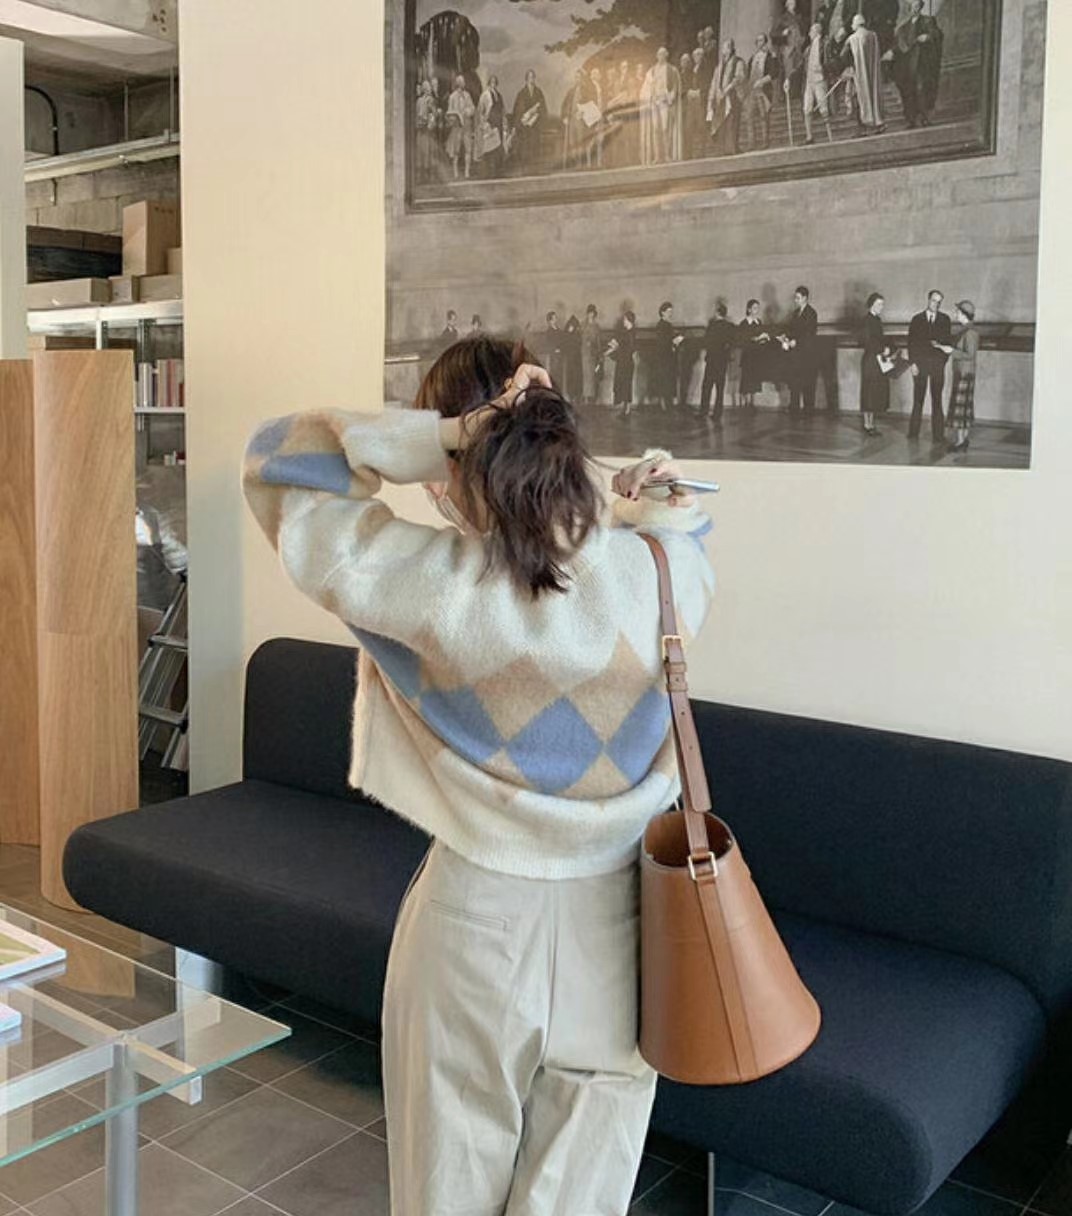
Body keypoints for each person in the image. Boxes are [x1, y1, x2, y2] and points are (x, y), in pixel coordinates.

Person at [242, 336, 715, 1216]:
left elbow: (278, 464)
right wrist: (622, 503)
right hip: (627, 931)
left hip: (473, 924)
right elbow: (680, 527)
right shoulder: (666, 573)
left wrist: (444, 439)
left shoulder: (424, 589)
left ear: (461, 460)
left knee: (447, 1193)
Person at [889, 0, 944, 129]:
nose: (915, 9)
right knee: (908, 91)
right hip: (907, 65)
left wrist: (928, 37)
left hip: (921, 63)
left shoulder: (928, 21)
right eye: (913, 7)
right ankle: (911, 120)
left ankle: (925, 117)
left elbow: (937, 34)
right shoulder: (903, 27)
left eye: (917, 6)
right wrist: (891, 51)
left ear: (920, 8)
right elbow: (898, 45)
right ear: (910, 9)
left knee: (922, 89)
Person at [907, 288, 953, 443]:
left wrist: (941, 362)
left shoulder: (945, 320)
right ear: (928, 300)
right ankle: (913, 433)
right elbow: (911, 344)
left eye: (939, 302)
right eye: (934, 301)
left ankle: (938, 435)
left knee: (937, 400)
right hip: (920, 366)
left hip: (937, 367)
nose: (936, 304)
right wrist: (913, 363)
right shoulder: (917, 319)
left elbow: (948, 344)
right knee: (918, 400)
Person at [842, 13, 886, 136]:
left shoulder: (852, 38)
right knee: (872, 96)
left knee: (858, 99)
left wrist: (847, 68)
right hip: (872, 73)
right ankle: (878, 123)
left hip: (858, 74)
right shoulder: (873, 36)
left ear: (856, 24)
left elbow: (844, 55)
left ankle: (863, 127)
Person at [944, 299, 979, 452]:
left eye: (958, 312)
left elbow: (970, 355)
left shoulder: (970, 332)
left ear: (964, 314)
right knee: (963, 408)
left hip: (965, 373)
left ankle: (960, 442)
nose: (956, 314)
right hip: (963, 372)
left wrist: (951, 351)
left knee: (961, 408)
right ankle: (962, 440)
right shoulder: (965, 330)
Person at [640, 47, 682, 165]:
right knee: (655, 129)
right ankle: (657, 156)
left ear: (666, 55)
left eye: (663, 54)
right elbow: (647, 86)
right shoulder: (652, 71)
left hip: (665, 102)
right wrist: (650, 97)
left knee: (665, 128)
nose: (661, 56)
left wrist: (670, 98)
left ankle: (667, 155)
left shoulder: (671, 70)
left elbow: (675, 86)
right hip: (654, 102)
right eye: (659, 54)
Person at [781, 286, 819, 415]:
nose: (795, 300)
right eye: (795, 298)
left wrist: (796, 342)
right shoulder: (795, 313)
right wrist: (786, 337)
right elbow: (792, 330)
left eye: (798, 298)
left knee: (807, 384)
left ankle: (808, 410)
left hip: (807, 355)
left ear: (805, 298)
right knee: (794, 382)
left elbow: (809, 334)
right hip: (795, 355)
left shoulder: (811, 313)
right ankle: (794, 409)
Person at [859, 291, 893, 436]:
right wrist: (882, 349)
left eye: (882, 304)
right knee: (869, 392)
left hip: (877, 360)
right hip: (870, 360)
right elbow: (866, 341)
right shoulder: (866, 320)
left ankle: (871, 424)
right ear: (871, 304)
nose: (881, 307)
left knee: (874, 393)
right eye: (879, 304)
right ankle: (867, 424)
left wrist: (887, 348)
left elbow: (879, 339)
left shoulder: (877, 320)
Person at [708, 39, 747, 156]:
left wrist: (727, 89)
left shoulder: (738, 62)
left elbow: (739, 77)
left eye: (726, 47)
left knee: (733, 122)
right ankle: (723, 149)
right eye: (724, 47)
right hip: (721, 98)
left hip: (733, 95)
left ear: (731, 49)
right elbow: (714, 82)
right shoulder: (719, 66)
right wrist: (713, 97)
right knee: (722, 123)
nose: (724, 50)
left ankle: (732, 148)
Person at [701, 302, 737, 422]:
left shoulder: (712, 326)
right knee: (720, 387)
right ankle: (717, 413)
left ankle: (704, 411)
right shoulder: (730, 327)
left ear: (717, 312)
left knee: (707, 386)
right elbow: (732, 342)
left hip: (711, 360)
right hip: (722, 361)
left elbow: (706, 342)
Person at [802, 22, 835, 144]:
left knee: (823, 107)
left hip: (820, 79)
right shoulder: (808, 49)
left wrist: (823, 68)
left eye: (811, 31)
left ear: (817, 32)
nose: (809, 33)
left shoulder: (825, 44)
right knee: (807, 108)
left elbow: (830, 59)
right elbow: (802, 65)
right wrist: (789, 78)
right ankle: (809, 136)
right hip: (809, 81)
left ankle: (830, 136)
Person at [746, 33, 780, 151]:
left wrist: (762, 81)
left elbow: (774, 72)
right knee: (749, 116)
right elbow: (748, 74)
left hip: (763, 90)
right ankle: (751, 143)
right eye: (758, 41)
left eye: (762, 40)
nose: (760, 43)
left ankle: (765, 141)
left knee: (763, 116)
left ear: (765, 42)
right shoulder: (753, 57)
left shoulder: (770, 56)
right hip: (752, 91)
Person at [511, 69, 547, 174]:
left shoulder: (538, 92)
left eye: (533, 77)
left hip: (535, 126)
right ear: (526, 79)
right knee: (525, 147)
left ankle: (534, 169)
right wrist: (519, 123)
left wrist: (538, 116)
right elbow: (517, 110)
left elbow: (543, 108)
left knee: (535, 146)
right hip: (524, 126)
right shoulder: (521, 93)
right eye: (529, 77)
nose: (532, 79)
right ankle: (524, 169)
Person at [651, 301, 683, 411]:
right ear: (662, 312)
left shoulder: (668, 325)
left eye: (671, 312)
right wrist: (673, 342)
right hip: (663, 357)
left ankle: (667, 404)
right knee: (663, 380)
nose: (670, 314)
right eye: (669, 312)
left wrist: (676, 341)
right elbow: (662, 342)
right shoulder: (661, 325)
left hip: (669, 357)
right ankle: (663, 404)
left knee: (669, 380)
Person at [772, 0, 807, 100]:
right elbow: (773, 33)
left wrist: (802, 39)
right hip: (787, 48)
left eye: (794, 2)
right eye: (791, 3)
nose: (793, 5)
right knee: (788, 71)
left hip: (798, 48)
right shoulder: (782, 18)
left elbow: (804, 31)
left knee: (798, 70)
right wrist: (783, 33)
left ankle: (795, 94)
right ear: (786, 5)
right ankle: (785, 95)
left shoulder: (799, 17)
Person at [738, 299, 770, 408]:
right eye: (755, 308)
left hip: (756, 355)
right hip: (748, 355)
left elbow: (761, 336)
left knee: (754, 379)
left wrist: (763, 339)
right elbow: (742, 340)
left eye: (758, 308)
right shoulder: (744, 323)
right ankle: (746, 403)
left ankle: (752, 402)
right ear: (749, 309)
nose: (757, 310)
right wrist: (755, 338)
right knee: (747, 379)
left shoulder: (758, 322)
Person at [445, 74, 476, 179]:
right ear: (458, 83)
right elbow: (449, 112)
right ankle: (455, 172)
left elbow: (473, 108)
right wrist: (455, 116)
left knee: (468, 149)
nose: (463, 84)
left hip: (467, 126)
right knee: (456, 150)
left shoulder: (467, 95)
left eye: (464, 82)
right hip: (457, 127)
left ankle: (467, 172)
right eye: (462, 82)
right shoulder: (452, 97)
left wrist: (468, 111)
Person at [476, 74, 506, 178]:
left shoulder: (499, 95)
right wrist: (484, 123)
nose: (493, 84)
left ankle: (497, 171)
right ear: (489, 83)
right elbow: (480, 110)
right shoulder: (485, 95)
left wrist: (504, 121)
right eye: (491, 82)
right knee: (489, 148)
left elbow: (503, 109)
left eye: (495, 82)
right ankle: (488, 172)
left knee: (498, 147)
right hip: (490, 124)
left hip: (498, 124)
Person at [609, 309, 638, 414]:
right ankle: (625, 407)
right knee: (624, 384)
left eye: (625, 319)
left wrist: (617, 347)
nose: (623, 321)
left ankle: (627, 408)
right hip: (623, 361)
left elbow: (629, 349)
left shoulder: (631, 333)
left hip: (626, 362)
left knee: (627, 385)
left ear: (629, 320)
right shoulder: (626, 332)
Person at [415, 80, 440, 182]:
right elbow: (432, 114)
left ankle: (425, 175)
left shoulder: (424, 100)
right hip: (424, 129)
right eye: (428, 87)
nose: (430, 89)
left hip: (425, 128)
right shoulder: (424, 100)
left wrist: (431, 121)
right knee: (425, 151)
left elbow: (432, 114)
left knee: (425, 151)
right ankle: (424, 175)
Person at [581, 304, 602, 405]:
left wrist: (599, 353)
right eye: (589, 313)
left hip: (593, 353)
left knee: (593, 375)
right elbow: (581, 338)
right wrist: (586, 342)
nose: (591, 315)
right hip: (585, 352)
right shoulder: (583, 325)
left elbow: (598, 340)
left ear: (594, 314)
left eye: (592, 313)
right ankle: (585, 397)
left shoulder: (597, 326)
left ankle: (592, 397)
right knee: (586, 375)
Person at [543, 310, 566, 384]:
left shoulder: (559, 330)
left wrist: (561, 348)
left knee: (560, 373)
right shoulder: (549, 332)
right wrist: (554, 350)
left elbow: (563, 340)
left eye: (556, 318)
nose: (556, 319)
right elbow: (548, 344)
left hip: (560, 355)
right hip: (554, 356)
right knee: (555, 374)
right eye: (554, 318)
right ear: (550, 321)